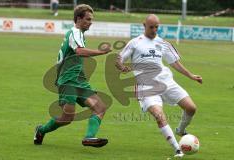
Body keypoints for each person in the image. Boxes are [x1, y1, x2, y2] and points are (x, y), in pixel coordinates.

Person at [115, 14, 202, 158]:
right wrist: (121, 66)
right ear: (144, 25)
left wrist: (191, 75)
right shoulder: (135, 42)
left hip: (166, 81)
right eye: (151, 27)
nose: (154, 30)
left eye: (157, 27)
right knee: (159, 115)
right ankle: (177, 149)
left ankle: (180, 130)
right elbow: (119, 58)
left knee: (191, 108)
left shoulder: (162, 43)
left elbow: (174, 63)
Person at [34, 4, 112, 148]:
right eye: (88, 19)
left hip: (79, 80)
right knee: (67, 118)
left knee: (100, 108)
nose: (90, 22)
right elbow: (80, 51)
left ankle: (89, 138)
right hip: (68, 80)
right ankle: (41, 130)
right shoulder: (75, 32)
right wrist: (101, 52)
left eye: (91, 19)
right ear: (78, 19)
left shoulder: (78, 33)